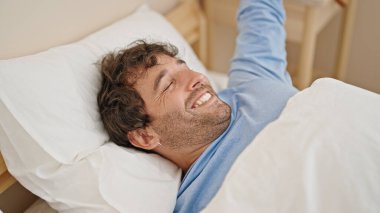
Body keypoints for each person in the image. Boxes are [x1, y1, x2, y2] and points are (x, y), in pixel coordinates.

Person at [97, 0, 301, 212]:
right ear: (145, 136)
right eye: (168, 85)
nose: (197, 77)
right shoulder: (200, 204)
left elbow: (261, 15)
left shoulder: (253, 79)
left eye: (185, 68)